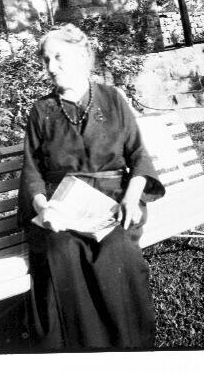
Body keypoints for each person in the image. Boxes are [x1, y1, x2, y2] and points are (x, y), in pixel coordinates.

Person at [17, 23, 165, 351]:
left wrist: (131, 197)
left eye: (58, 57)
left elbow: (138, 154)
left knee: (115, 246)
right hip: (63, 204)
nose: (50, 67)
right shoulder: (41, 111)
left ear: (82, 56)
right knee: (62, 248)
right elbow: (32, 172)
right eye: (45, 59)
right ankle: (74, 350)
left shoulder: (113, 99)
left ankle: (128, 343)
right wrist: (45, 208)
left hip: (113, 200)